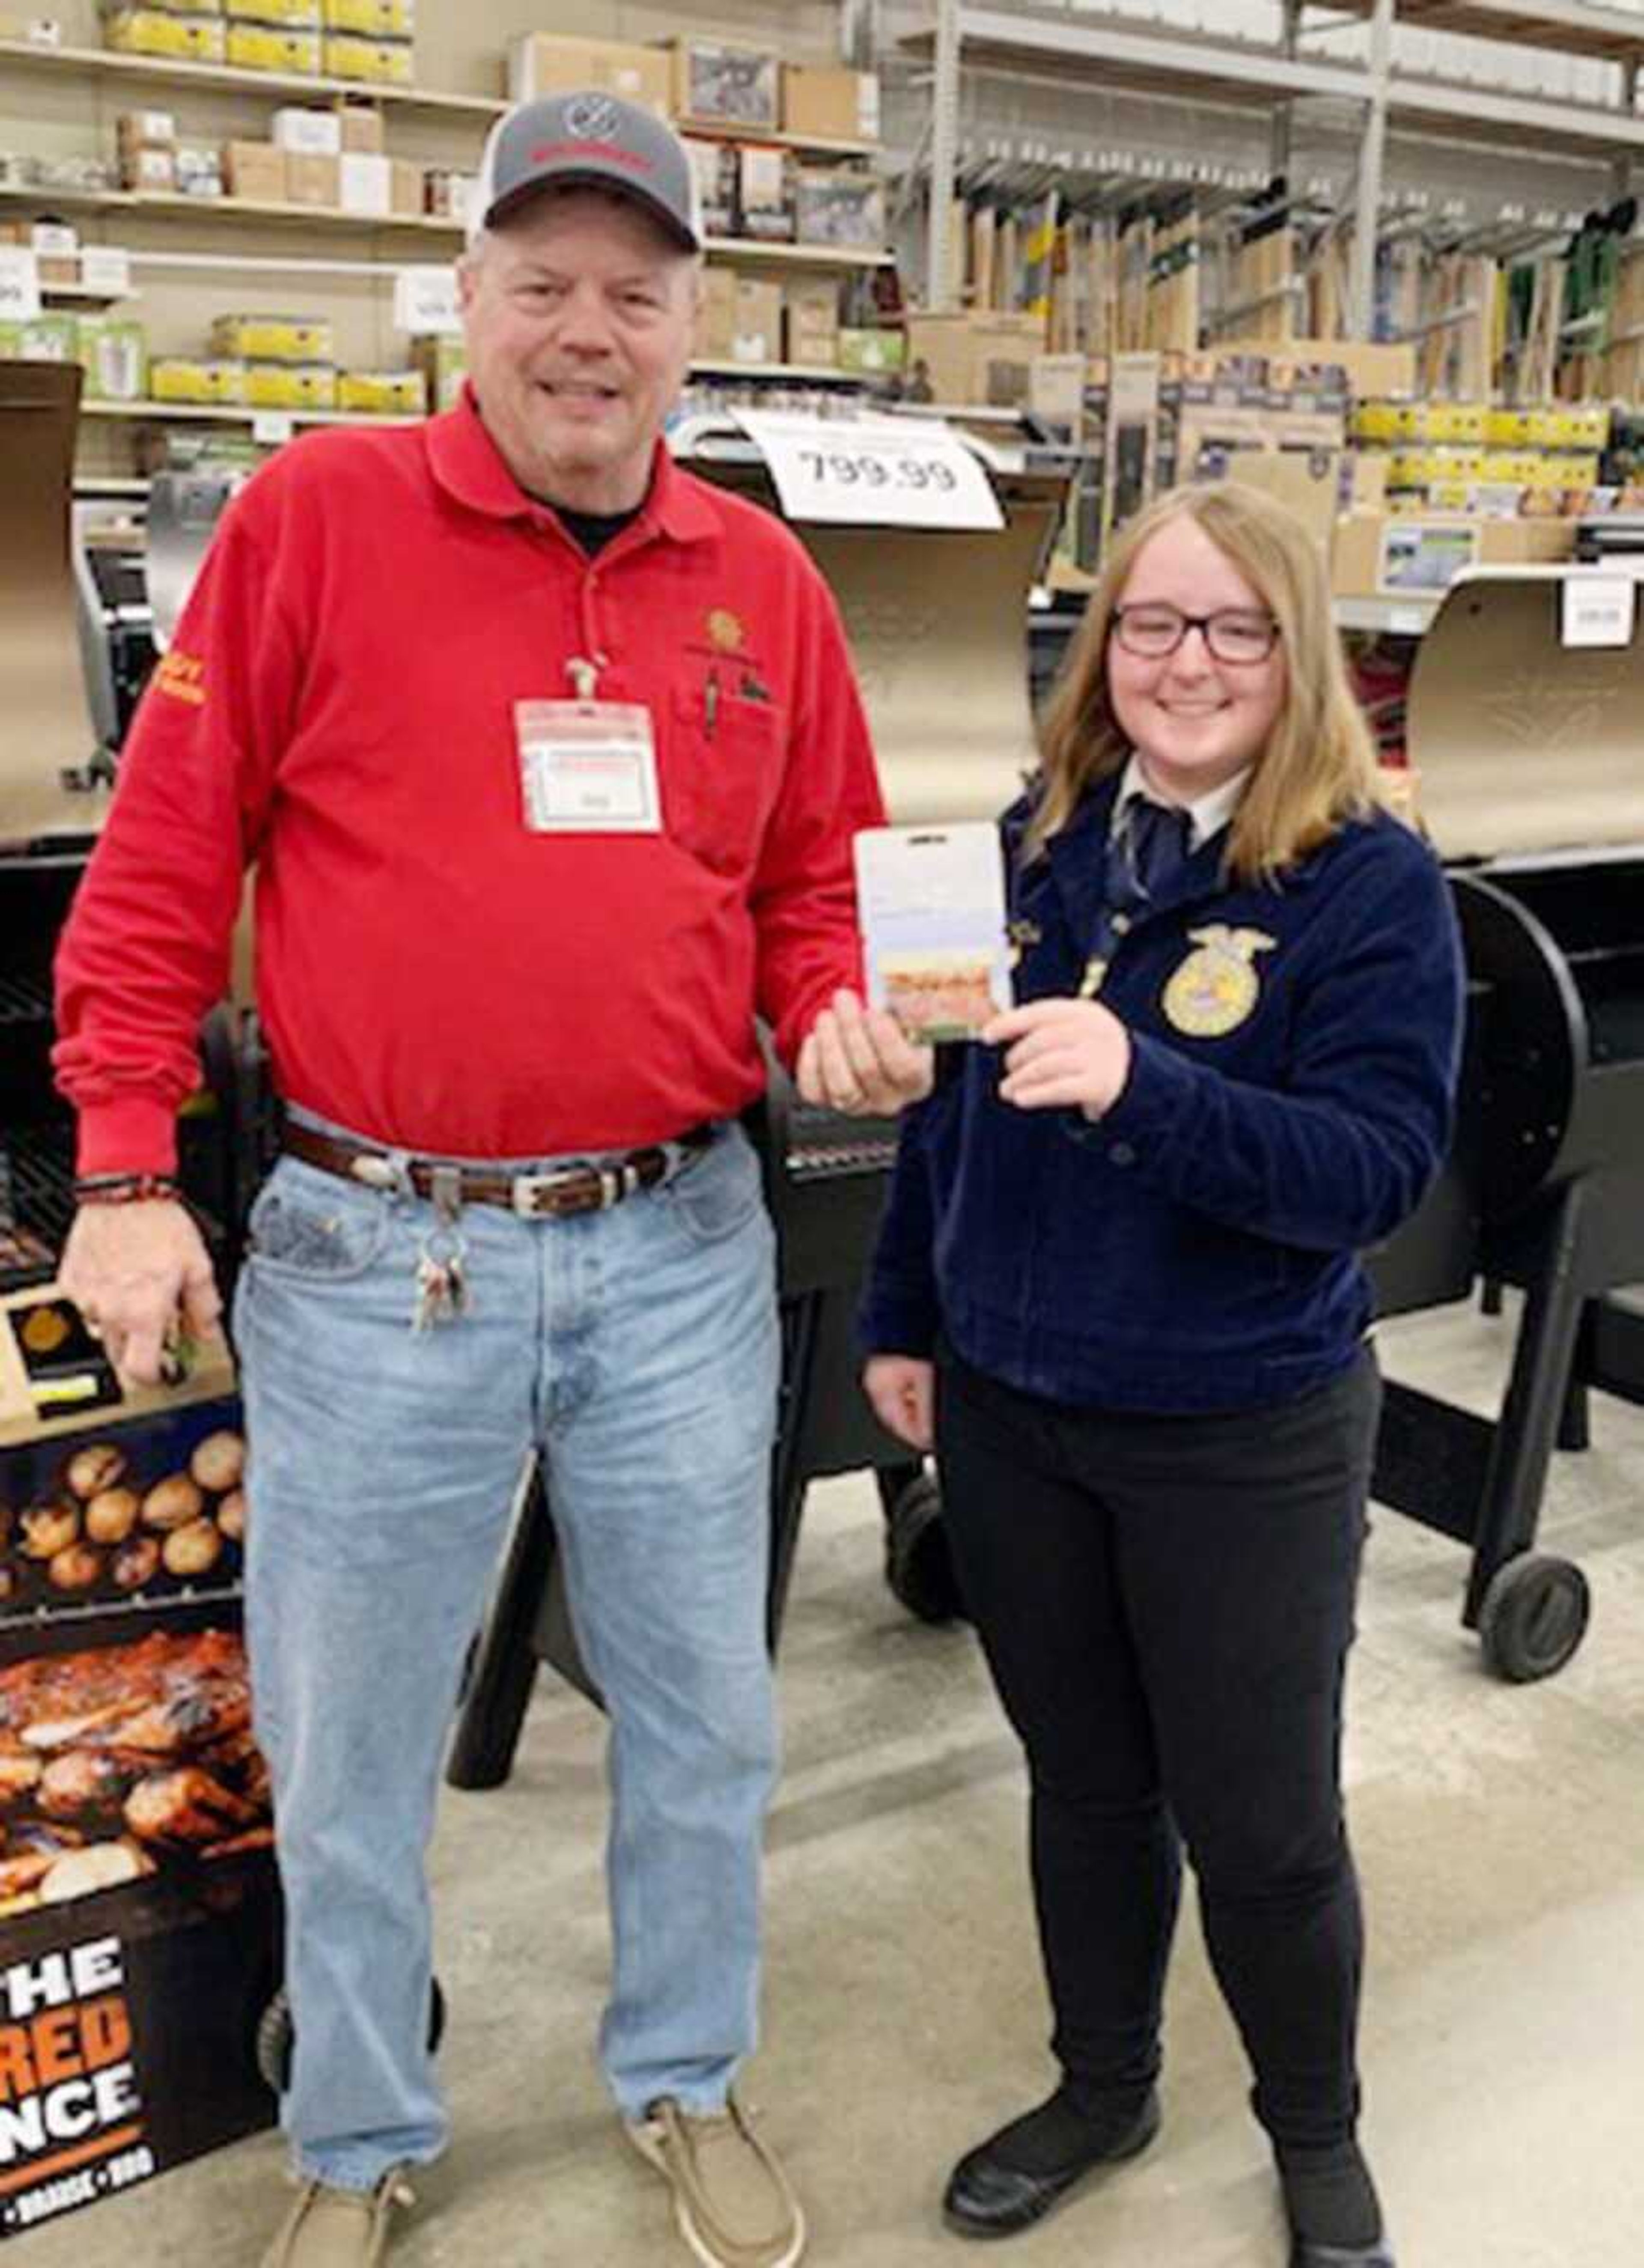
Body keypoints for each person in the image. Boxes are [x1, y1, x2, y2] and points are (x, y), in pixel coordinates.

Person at [53, 90, 928, 2268]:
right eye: (541, 283)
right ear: (468, 301)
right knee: (347, 1742)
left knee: (708, 1717)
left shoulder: (766, 585)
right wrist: (124, 1154)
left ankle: (684, 2075)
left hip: (679, 1251)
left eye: (635, 290)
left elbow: (817, 882)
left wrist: (834, 998)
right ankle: (356, 2127)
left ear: (693, 323)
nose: (587, 330)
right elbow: (165, 863)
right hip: (374, 1256)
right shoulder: (314, 521)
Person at [859, 481, 1463, 2268]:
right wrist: (906, 1314)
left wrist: (1147, 1082)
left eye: (1231, 628)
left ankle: (1316, 2130)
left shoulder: (1366, 884)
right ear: (1096, 644)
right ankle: (1104, 2083)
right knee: (1086, 1785)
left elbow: (1373, 1174)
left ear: (1297, 656)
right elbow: (941, 1122)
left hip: (1240, 1430)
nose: (1185, 662)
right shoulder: (1032, 843)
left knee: (1263, 1820)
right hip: (1018, 1410)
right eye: (1149, 623)